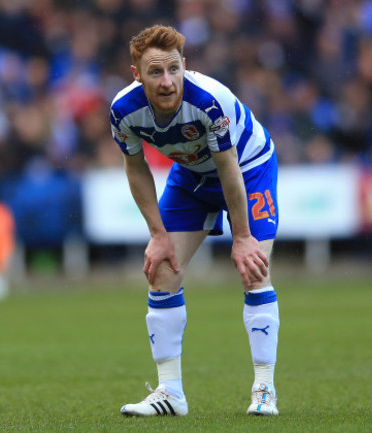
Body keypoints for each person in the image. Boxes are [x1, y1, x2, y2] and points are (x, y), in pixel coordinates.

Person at [110, 25, 280, 417]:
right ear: (136, 74)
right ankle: (170, 394)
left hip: (248, 168)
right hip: (190, 174)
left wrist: (242, 237)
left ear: (185, 65)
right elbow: (135, 169)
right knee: (162, 272)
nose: (168, 81)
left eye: (174, 69)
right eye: (156, 72)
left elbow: (229, 168)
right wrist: (157, 235)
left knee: (254, 269)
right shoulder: (123, 110)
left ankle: (264, 388)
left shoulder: (208, 102)